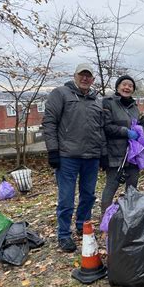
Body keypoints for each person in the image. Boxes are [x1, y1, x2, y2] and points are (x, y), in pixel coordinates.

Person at [42, 63, 108, 253]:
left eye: (89, 76)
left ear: (93, 79)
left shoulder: (97, 100)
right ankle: (63, 234)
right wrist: (53, 151)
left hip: (92, 157)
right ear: (75, 75)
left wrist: (103, 153)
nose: (85, 79)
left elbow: (100, 129)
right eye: (82, 75)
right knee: (66, 198)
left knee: (88, 195)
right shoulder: (61, 94)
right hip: (67, 156)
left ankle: (82, 226)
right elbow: (49, 122)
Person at [100, 75, 140, 214]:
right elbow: (106, 126)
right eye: (124, 84)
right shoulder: (108, 102)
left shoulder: (134, 106)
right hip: (115, 153)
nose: (127, 87)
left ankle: (130, 216)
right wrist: (126, 132)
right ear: (117, 87)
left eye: (130, 85)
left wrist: (141, 135)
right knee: (111, 186)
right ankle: (105, 218)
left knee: (132, 187)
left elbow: (137, 124)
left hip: (133, 154)